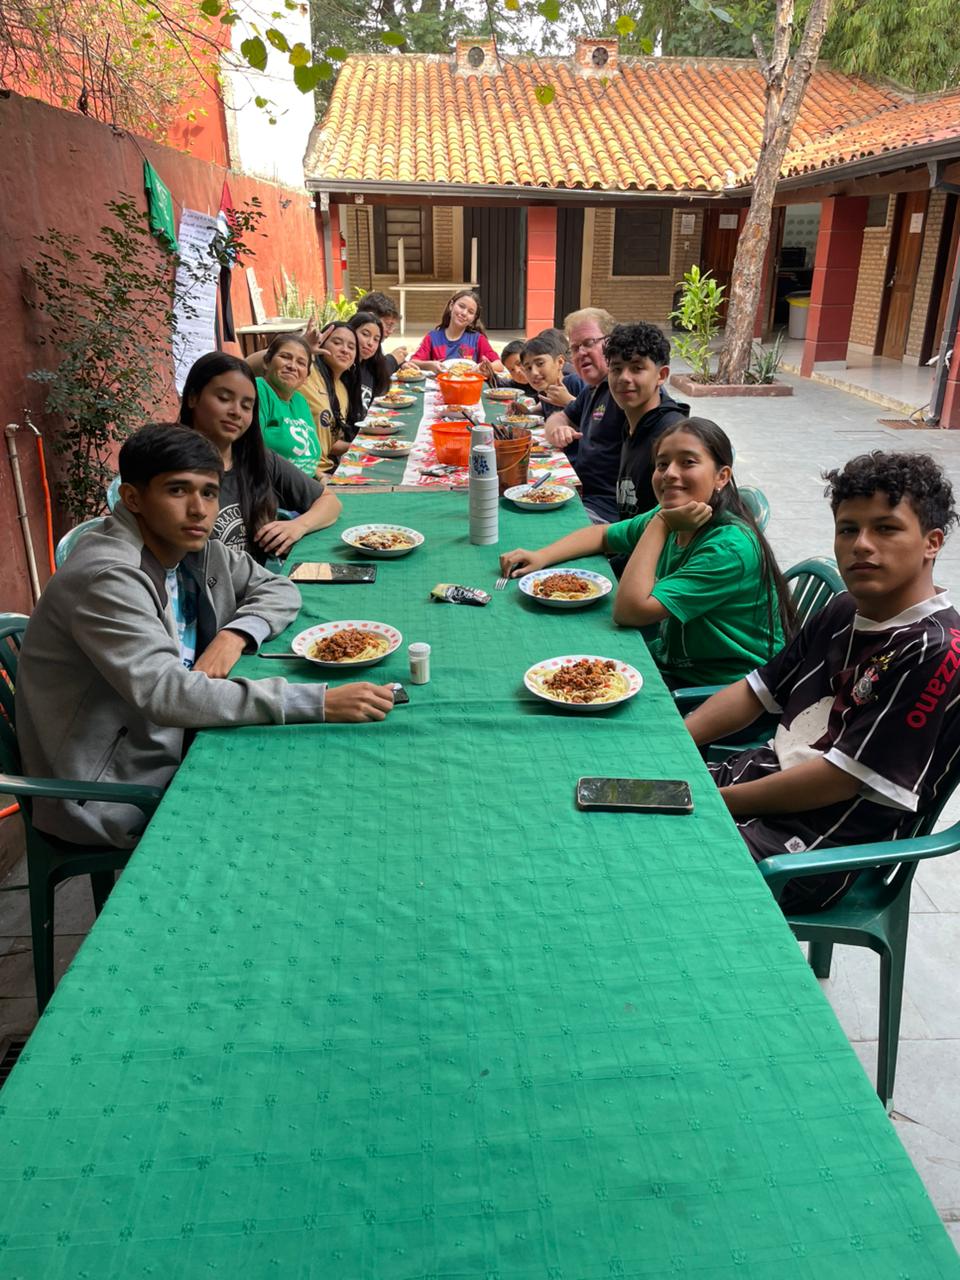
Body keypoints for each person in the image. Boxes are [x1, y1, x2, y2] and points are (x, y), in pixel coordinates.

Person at [15, 425, 396, 848]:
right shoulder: (107, 578)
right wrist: (317, 703)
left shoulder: (192, 546)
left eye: (209, 492)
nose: (198, 510)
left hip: (175, 740)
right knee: (296, 810)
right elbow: (168, 695)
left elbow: (279, 588)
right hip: (111, 792)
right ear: (133, 499)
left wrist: (234, 635)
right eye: (177, 490)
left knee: (324, 772)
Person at [685, 450, 960, 912]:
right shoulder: (845, 607)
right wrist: (679, 741)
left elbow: (839, 781)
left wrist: (713, 801)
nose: (862, 545)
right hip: (762, 777)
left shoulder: (935, 651)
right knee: (631, 796)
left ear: (932, 542)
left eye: (886, 528)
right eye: (848, 529)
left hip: (818, 846)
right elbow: (757, 690)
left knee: (654, 858)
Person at [500, 418, 793, 688]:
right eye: (662, 464)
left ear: (722, 476)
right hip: (672, 657)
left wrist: (660, 525)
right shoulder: (676, 515)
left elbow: (629, 612)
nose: (670, 474)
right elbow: (602, 535)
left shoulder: (727, 547)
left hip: (718, 688)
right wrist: (542, 556)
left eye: (688, 462)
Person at [179, 352, 342, 562]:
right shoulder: (172, 470)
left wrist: (298, 526)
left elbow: (329, 501)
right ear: (193, 397)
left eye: (247, 406)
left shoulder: (258, 459)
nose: (236, 412)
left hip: (260, 580)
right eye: (224, 398)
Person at [541, 307, 626, 524]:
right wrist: (558, 429)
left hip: (608, 511)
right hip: (581, 495)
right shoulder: (592, 389)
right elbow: (558, 418)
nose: (581, 353)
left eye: (589, 343)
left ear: (611, 343)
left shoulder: (625, 392)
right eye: (575, 348)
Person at [605, 322, 689, 519]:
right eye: (616, 369)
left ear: (661, 375)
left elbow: (676, 520)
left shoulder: (672, 436)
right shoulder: (631, 426)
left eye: (637, 368)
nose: (624, 378)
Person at [255, 334, 322, 477]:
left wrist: (321, 477)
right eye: (285, 357)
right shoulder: (258, 390)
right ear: (266, 362)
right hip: (274, 486)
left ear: (306, 377)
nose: (292, 366)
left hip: (308, 483)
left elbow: (304, 454)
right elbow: (253, 452)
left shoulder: (300, 401)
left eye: (301, 363)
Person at [409, 289, 502, 373]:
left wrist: (482, 368)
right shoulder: (432, 337)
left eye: (470, 312)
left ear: (474, 318)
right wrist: (429, 365)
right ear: (451, 306)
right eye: (461, 306)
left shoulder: (478, 339)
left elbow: (499, 365)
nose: (464, 313)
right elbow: (413, 362)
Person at [520, 332, 584, 415]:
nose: (534, 373)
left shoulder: (576, 382)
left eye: (540, 363)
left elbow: (598, 415)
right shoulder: (545, 391)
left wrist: (569, 401)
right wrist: (526, 413)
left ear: (560, 362)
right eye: (528, 368)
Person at [348, 309, 391, 418]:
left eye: (376, 339)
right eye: (365, 334)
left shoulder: (372, 369)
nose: (370, 343)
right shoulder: (340, 369)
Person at [362, 292, 407, 373]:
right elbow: (369, 375)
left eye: (393, 326)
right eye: (388, 325)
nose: (390, 331)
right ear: (370, 317)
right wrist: (393, 360)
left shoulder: (376, 344)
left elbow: (377, 364)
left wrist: (400, 364)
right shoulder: (350, 343)